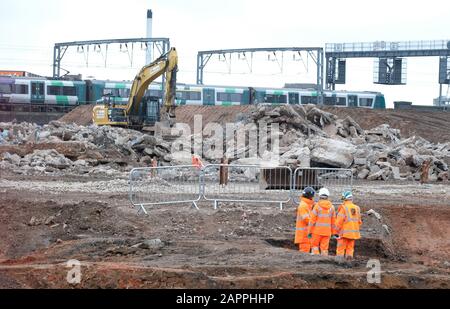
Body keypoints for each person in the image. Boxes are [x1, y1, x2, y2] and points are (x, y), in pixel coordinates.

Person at [307, 188, 336, 256]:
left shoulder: (317, 206)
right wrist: (333, 233)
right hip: (327, 232)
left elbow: (312, 221)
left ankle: (316, 261)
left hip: (316, 232)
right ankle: (324, 262)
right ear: (327, 197)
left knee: (314, 246)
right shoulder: (332, 207)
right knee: (324, 249)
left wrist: (309, 231)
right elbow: (333, 222)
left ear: (319, 196)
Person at [335, 191, 362, 261]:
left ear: (344, 199)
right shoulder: (357, 208)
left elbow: (339, 222)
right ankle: (349, 262)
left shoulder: (343, 208)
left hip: (343, 234)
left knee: (340, 249)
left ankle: (339, 262)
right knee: (350, 249)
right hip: (353, 234)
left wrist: (335, 232)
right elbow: (359, 222)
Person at [294, 187, 316, 253]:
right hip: (304, 236)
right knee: (304, 253)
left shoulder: (307, 205)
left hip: (306, 235)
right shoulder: (303, 206)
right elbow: (307, 220)